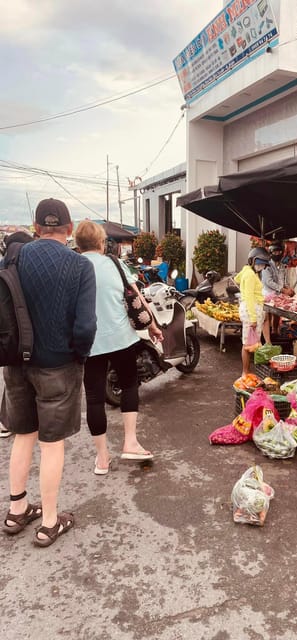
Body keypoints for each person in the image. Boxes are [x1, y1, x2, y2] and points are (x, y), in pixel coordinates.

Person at [3, 198, 97, 547]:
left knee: (23, 435)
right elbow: (86, 326)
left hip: (16, 365)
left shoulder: (14, 258)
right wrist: (79, 356)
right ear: (70, 229)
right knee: (51, 443)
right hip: (58, 365)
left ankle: (17, 509)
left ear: (36, 226)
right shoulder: (79, 266)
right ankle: (49, 523)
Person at [75, 220, 163, 475]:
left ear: (78, 245)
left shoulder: (74, 266)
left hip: (89, 342)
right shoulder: (115, 263)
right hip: (121, 337)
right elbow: (136, 296)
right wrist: (153, 326)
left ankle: (102, 459)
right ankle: (130, 442)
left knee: (93, 398)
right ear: (102, 242)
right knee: (129, 384)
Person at [0, 231, 35, 438]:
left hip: (9, 346)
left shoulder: (2, 269)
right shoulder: (31, 271)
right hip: (33, 343)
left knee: (13, 385)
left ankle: (7, 423)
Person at [234, 247, 270, 377]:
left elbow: (237, 279)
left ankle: (248, 371)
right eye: (260, 263)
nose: (262, 267)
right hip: (251, 309)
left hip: (252, 308)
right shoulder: (249, 274)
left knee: (252, 343)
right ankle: (245, 372)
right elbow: (249, 296)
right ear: (253, 261)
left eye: (263, 264)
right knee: (248, 344)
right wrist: (254, 318)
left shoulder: (247, 271)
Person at [262, 241, 295, 339]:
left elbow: (283, 281)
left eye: (279, 252)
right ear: (271, 252)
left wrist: (288, 288)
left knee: (277, 313)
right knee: (267, 316)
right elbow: (269, 282)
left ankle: (275, 331)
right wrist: (283, 290)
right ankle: (266, 335)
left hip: (278, 294)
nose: (277, 254)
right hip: (267, 294)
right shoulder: (266, 265)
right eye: (275, 252)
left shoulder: (282, 266)